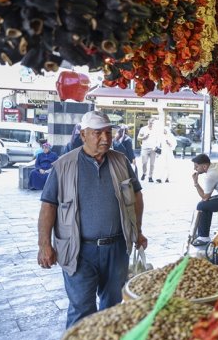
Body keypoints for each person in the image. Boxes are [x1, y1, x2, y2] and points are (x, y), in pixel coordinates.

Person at [37, 111, 146, 328]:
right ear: (83, 134)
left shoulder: (120, 161)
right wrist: (44, 244)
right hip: (78, 249)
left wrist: (138, 230)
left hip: (116, 247)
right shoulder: (63, 165)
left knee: (113, 307)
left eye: (108, 132)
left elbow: (136, 196)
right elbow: (49, 205)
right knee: (81, 308)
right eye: (98, 133)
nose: (105, 138)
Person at [137, 117, 159, 183]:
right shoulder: (143, 129)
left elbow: (158, 139)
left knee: (152, 164)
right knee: (144, 162)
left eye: (152, 123)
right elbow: (138, 138)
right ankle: (144, 173)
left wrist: (157, 146)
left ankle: (150, 177)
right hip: (145, 148)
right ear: (148, 122)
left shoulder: (156, 130)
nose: (151, 124)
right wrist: (144, 137)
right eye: (150, 122)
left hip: (153, 148)